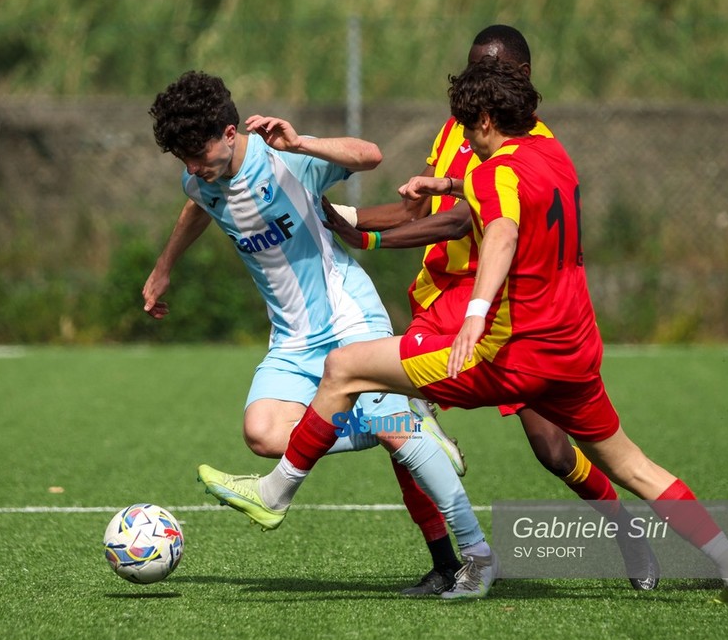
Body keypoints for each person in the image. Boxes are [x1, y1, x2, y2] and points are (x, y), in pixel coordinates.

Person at [198, 57, 728, 606]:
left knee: (343, 368)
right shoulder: (553, 152)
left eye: (469, 129)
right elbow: (505, 194)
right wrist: (446, 186)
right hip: (575, 353)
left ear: (489, 120)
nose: (467, 140)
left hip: (509, 353)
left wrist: (475, 313)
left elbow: (500, 231)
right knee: (635, 468)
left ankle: (275, 493)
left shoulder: (496, 172)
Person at [324, 24, 658, 591]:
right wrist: (345, 217)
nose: (477, 77)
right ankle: (444, 560)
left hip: (501, 308)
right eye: (472, 65)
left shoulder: (530, 141)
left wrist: (371, 239)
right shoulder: (457, 125)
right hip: (441, 299)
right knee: (394, 416)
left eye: (490, 67)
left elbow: (461, 218)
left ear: (521, 76)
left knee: (552, 450)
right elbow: (420, 206)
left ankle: (625, 530)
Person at [143, 70, 479, 596]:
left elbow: (369, 155)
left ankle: (456, 560)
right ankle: (405, 420)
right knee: (263, 433)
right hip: (292, 339)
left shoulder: (283, 158)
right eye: (182, 158)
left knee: (398, 440)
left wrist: (301, 142)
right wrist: (164, 267)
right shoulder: (200, 180)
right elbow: (197, 205)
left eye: (198, 154)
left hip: (349, 316)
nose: (191, 168)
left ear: (230, 133)